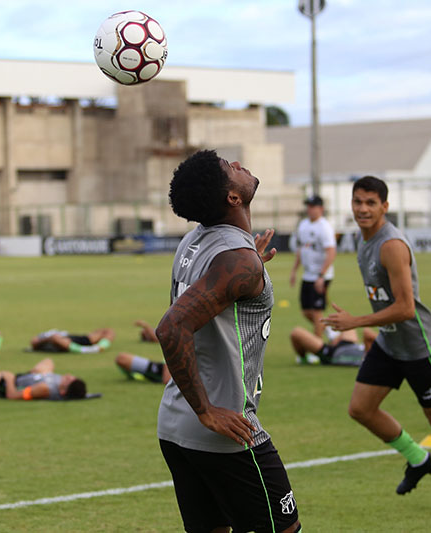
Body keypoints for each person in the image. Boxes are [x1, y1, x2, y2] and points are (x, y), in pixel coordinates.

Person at [322, 175, 431, 510]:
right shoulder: (364, 241)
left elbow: (405, 308)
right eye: (357, 201)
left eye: (370, 202)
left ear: (385, 207)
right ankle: (419, 459)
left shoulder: (391, 245)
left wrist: (355, 322)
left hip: (419, 347)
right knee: (360, 409)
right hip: (391, 344)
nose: (362, 208)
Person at [155, 150, 301, 533]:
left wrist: (253, 272)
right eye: (228, 168)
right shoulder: (237, 261)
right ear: (232, 198)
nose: (237, 164)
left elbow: (213, 298)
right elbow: (171, 328)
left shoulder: (196, 241)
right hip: (225, 431)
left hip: (174, 425)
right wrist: (207, 411)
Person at [290, 195, 337, 336]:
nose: (309, 209)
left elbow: (331, 252)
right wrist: (294, 270)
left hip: (320, 275)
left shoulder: (324, 227)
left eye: (312, 206)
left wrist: (321, 276)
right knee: (306, 311)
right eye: (308, 206)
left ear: (320, 208)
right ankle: (328, 329)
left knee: (317, 313)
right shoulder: (303, 225)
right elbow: (301, 249)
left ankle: (317, 349)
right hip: (308, 275)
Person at [0, 358, 87, 400]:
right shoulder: (58, 383)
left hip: (9, 383)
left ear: (63, 392)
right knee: (48, 361)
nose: (69, 376)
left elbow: (13, 395)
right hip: (31, 376)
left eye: (69, 380)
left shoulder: (44, 389)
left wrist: (9, 378)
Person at [290, 326, 377, 366]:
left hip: (333, 354)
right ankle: (333, 336)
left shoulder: (371, 361)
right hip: (350, 345)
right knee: (347, 324)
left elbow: (367, 333)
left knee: (296, 332)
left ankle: (304, 358)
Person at [28, 327, 114, 354]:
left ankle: (100, 346)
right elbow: (34, 343)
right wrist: (49, 338)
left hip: (70, 337)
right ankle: (88, 350)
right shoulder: (44, 340)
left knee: (108, 331)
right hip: (63, 342)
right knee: (55, 338)